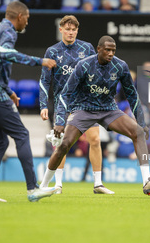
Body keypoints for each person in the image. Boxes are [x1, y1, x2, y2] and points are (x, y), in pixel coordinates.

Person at [40, 35, 150, 195]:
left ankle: (147, 181)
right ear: (98, 49)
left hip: (108, 109)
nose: (111, 53)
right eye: (107, 50)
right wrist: (60, 120)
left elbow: (132, 95)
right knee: (64, 145)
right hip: (83, 109)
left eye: (113, 50)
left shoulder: (120, 66)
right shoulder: (84, 65)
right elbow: (65, 94)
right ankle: (43, 186)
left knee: (138, 132)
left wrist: (141, 122)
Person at [0, 1, 58, 202]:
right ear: (19, 16)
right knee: (22, 135)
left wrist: (8, 91)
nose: (27, 22)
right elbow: (7, 54)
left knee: (0, 142)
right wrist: (40, 61)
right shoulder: (9, 30)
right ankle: (32, 189)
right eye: (27, 18)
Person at [39, 15, 113, 194]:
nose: (70, 32)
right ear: (61, 30)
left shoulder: (86, 48)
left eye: (73, 30)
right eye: (67, 29)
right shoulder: (52, 51)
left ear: (77, 31)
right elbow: (44, 80)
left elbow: (98, 71)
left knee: (95, 139)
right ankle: (57, 185)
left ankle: (98, 184)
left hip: (86, 103)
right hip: (62, 103)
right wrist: (43, 105)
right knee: (62, 143)